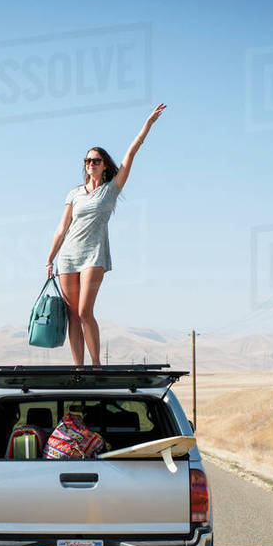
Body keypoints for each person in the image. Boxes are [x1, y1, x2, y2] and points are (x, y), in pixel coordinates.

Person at [46, 104, 166, 366]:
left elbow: (132, 152)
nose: (90, 164)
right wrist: (49, 258)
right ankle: (78, 368)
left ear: (104, 165)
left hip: (94, 255)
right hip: (67, 256)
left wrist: (147, 125)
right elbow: (62, 226)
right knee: (72, 316)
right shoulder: (74, 193)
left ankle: (96, 365)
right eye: (87, 160)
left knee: (85, 311)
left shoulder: (111, 189)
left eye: (96, 160)